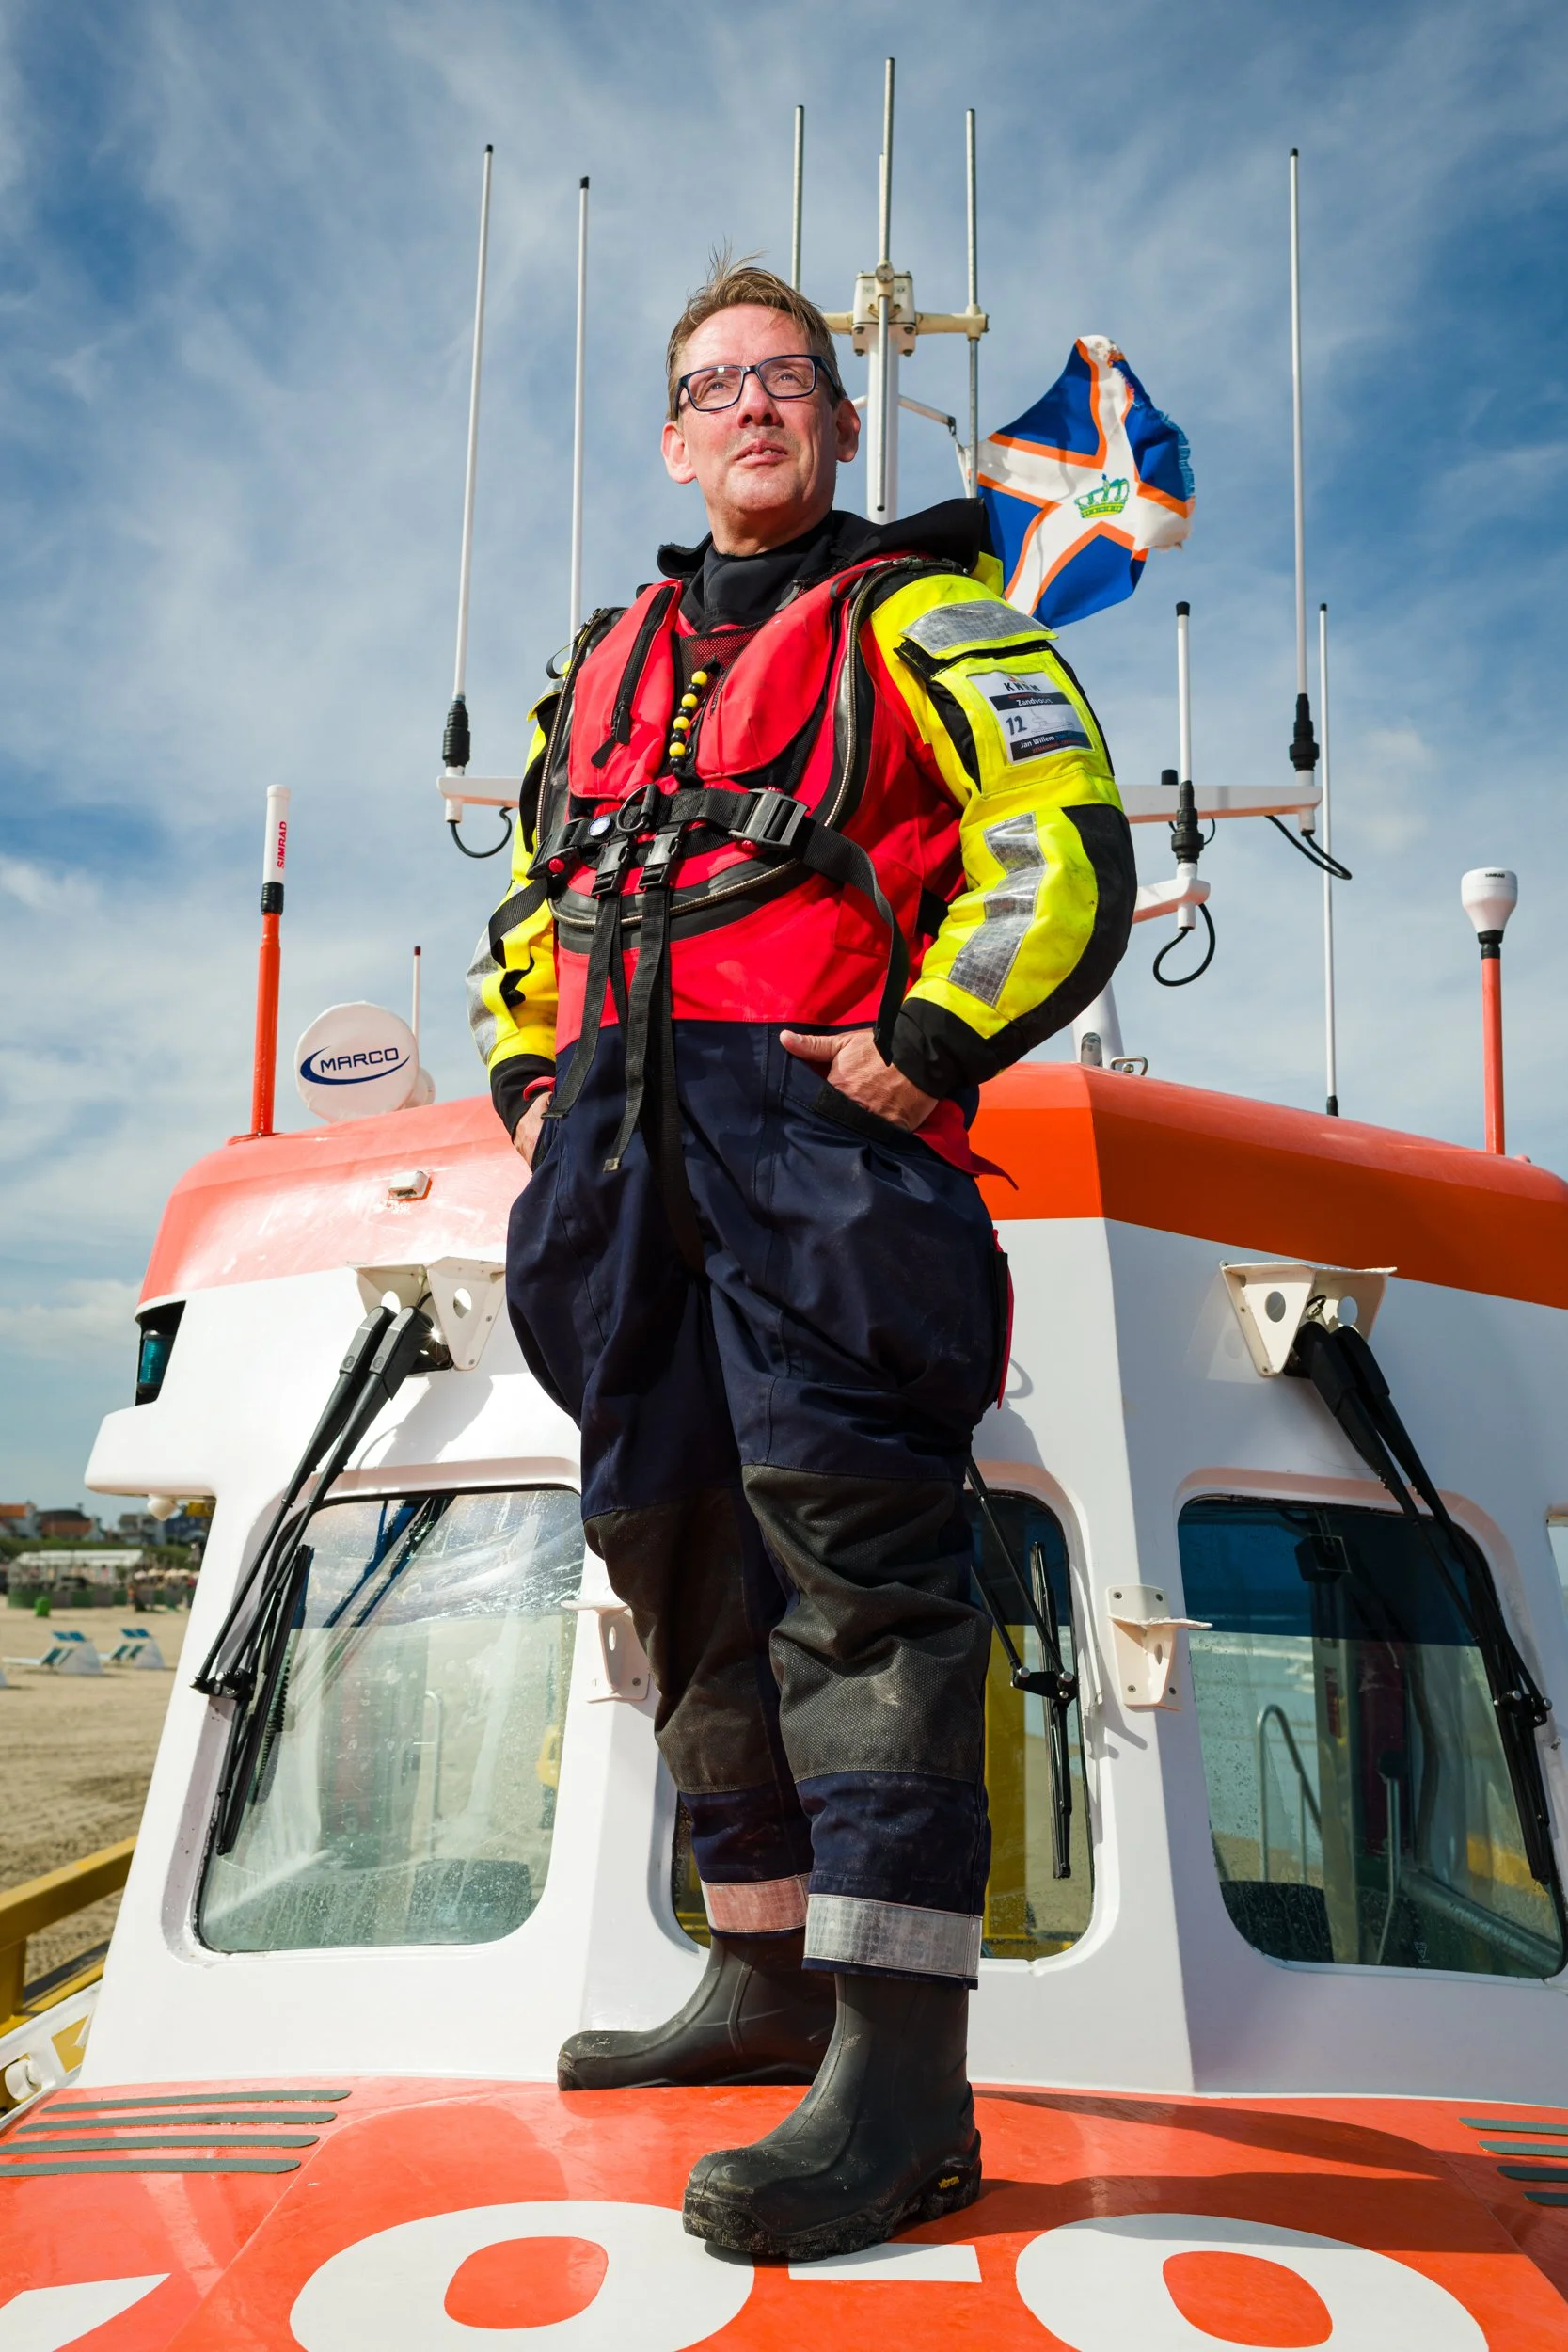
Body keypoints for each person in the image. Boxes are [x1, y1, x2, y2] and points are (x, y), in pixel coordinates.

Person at [467, 255, 1133, 2263]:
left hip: (817, 1153)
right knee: (670, 1552)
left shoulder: (930, 615)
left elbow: (1059, 840)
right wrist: (525, 1078)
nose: (749, 408)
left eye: (785, 381)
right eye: (712, 385)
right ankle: (756, 1970)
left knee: (863, 1579)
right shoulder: (602, 653)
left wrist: (924, 1049)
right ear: (674, 435)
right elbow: (537, 889)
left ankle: (903, 2079)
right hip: (613, 1156)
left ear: (838, 424)